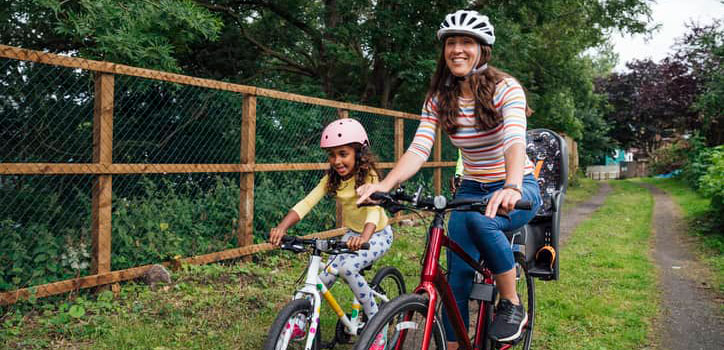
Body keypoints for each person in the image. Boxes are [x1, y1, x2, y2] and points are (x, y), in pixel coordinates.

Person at [356, 9, 542, 347]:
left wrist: (512, 185)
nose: (457, 49)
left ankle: (512, 303)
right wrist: (384, 185)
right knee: (456, 273)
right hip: (471, 187)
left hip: (517, 184)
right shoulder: (439, 99)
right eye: (451, 43)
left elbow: (515, 141)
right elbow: (418, 150)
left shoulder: (506, 89)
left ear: (482, 49)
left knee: (484, 225)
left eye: (466, 42)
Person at [269, 118, 393, 349]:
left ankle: (378, 325)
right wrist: (282, 227)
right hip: (352, 235)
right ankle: (299, 319)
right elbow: (307, 202)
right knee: (324, 275)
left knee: (346, 268)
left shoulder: (369, 177)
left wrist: (364, 238)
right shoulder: (332, 179)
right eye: (332, 155)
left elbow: (373, 212)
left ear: (359, 153)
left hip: (377, 234)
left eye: (343, 153)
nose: (337, 160)